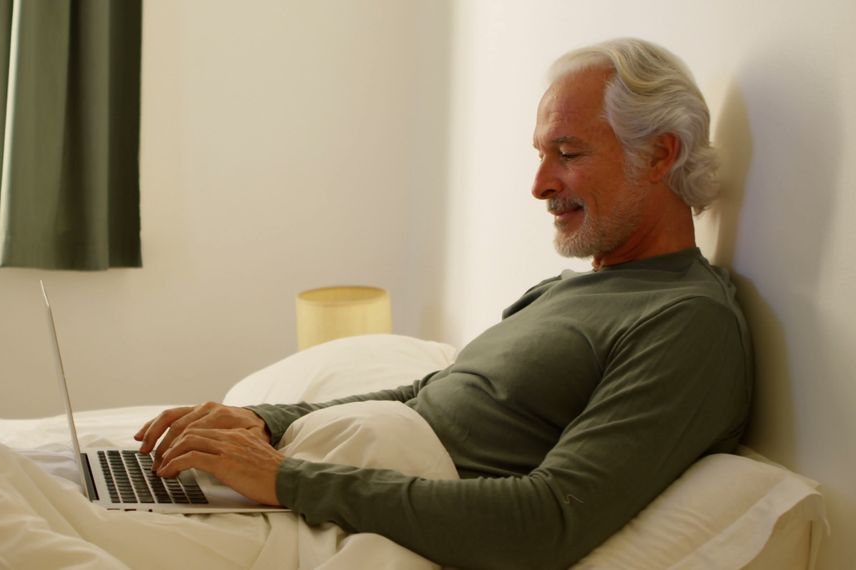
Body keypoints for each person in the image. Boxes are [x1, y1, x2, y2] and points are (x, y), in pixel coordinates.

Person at [135, 38, 752, 569]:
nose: (539, 185)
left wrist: (283, 480)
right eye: (540, 154)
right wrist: (266, 421)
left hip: (349, 511)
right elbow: (431, 392)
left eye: (567, 154)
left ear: (661, 154)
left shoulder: (688, 321)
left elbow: (547, 519)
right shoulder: (570, 289)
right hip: (324, 481)